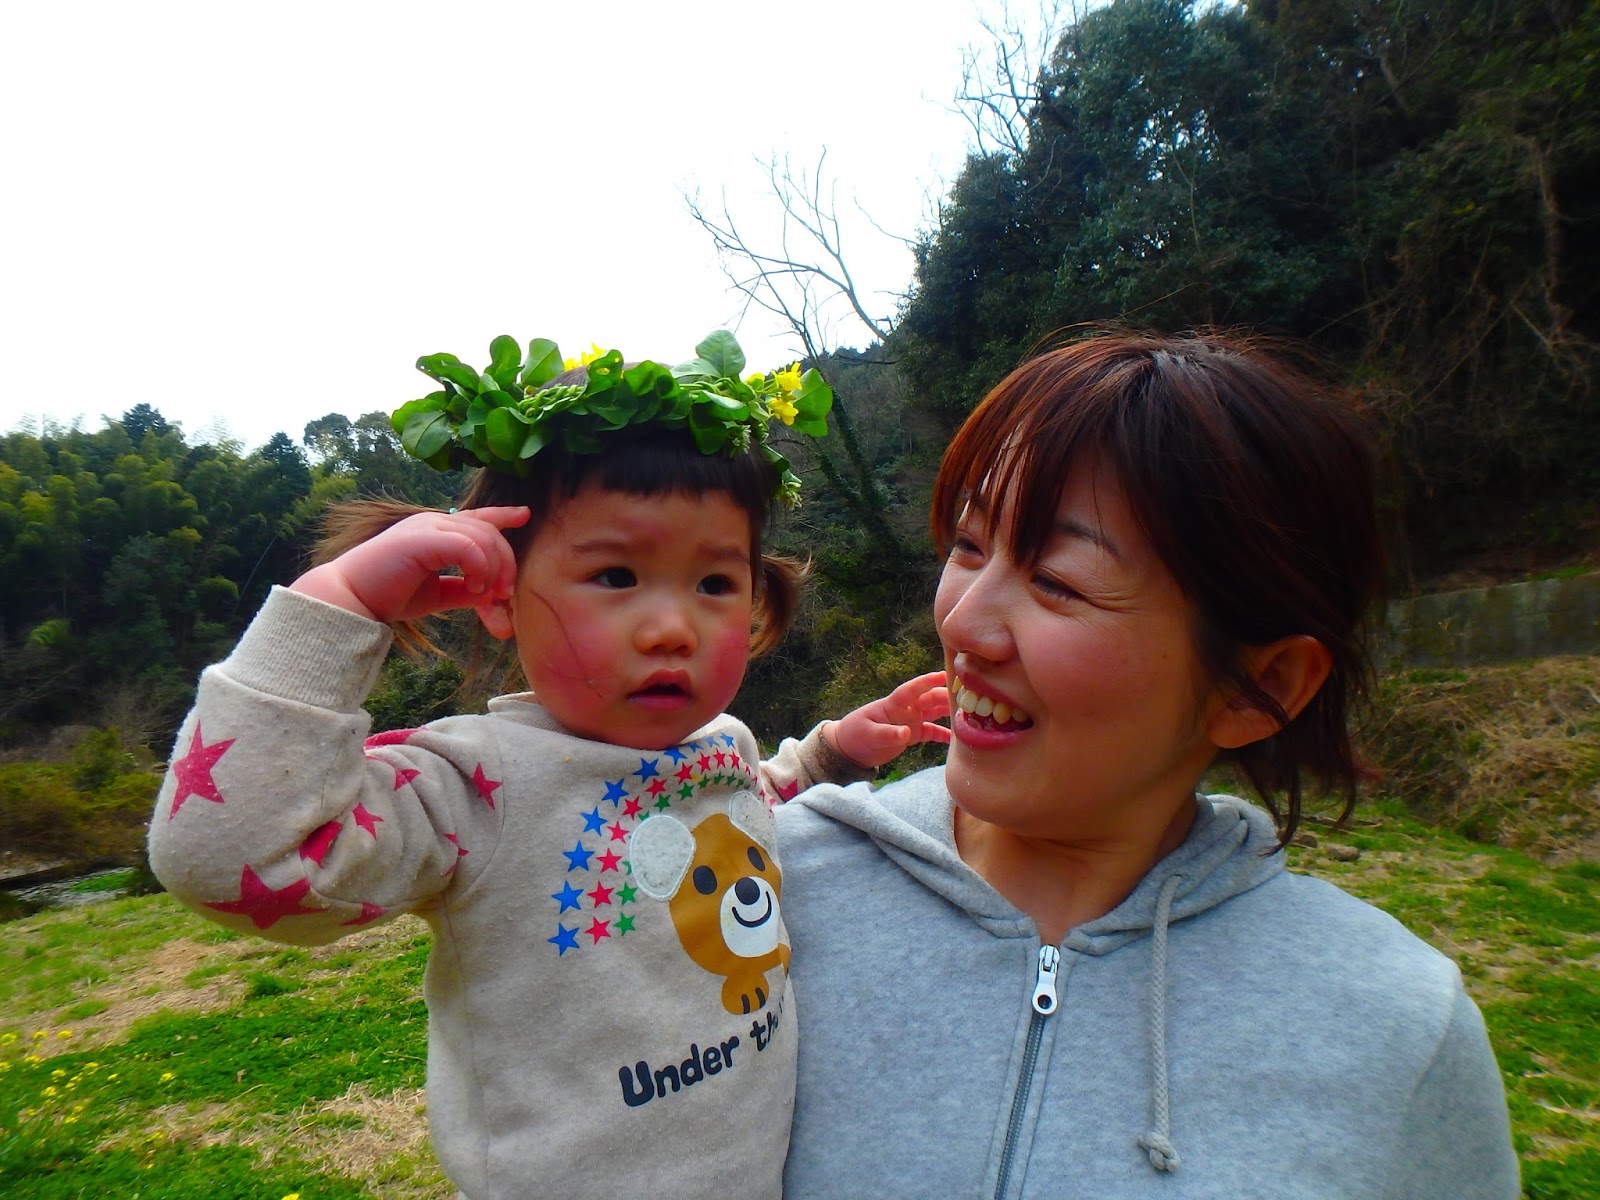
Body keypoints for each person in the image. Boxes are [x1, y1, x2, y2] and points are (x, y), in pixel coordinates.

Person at [146, 332, 948, 1200]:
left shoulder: (722, 746)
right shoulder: (470, 786)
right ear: (497, 596)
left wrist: (832, 752)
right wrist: (341, 605)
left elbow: (748, 808)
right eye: (616, 574)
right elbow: (234, 858)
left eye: (715, 583)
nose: (672, 627)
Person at [775, 330, 1520, 1199]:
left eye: (1059, 581)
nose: (963, 624)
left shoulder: (1399, 1029)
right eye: (969, 546)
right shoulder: (766, 897)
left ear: (1259, 688)